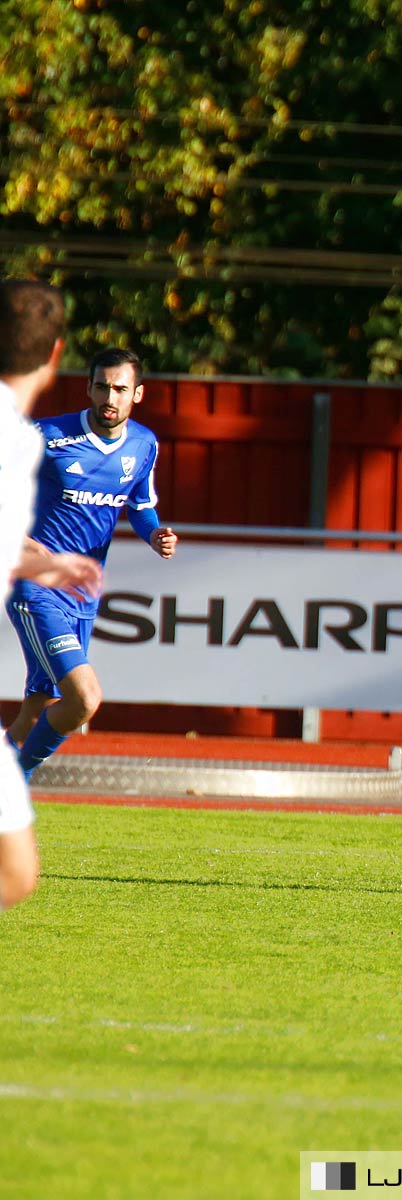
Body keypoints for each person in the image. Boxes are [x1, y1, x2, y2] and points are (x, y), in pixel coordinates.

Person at [7, 346, 177, 780]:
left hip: (82, 595)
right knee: (84, 699)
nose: (110, 397)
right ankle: (14, 785)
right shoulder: (47, 436)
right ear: (88, 388)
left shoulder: (143, 445)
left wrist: (154, 532)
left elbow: (140, 506)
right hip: (35, 586)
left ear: (137, 394)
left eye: (120, 388)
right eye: (102, 386)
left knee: (38, 710)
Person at [0, 280, 106, 911]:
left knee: (17, 872)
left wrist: (42, 562)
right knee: (15, 872)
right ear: (58, 353)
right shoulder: (17, 441)